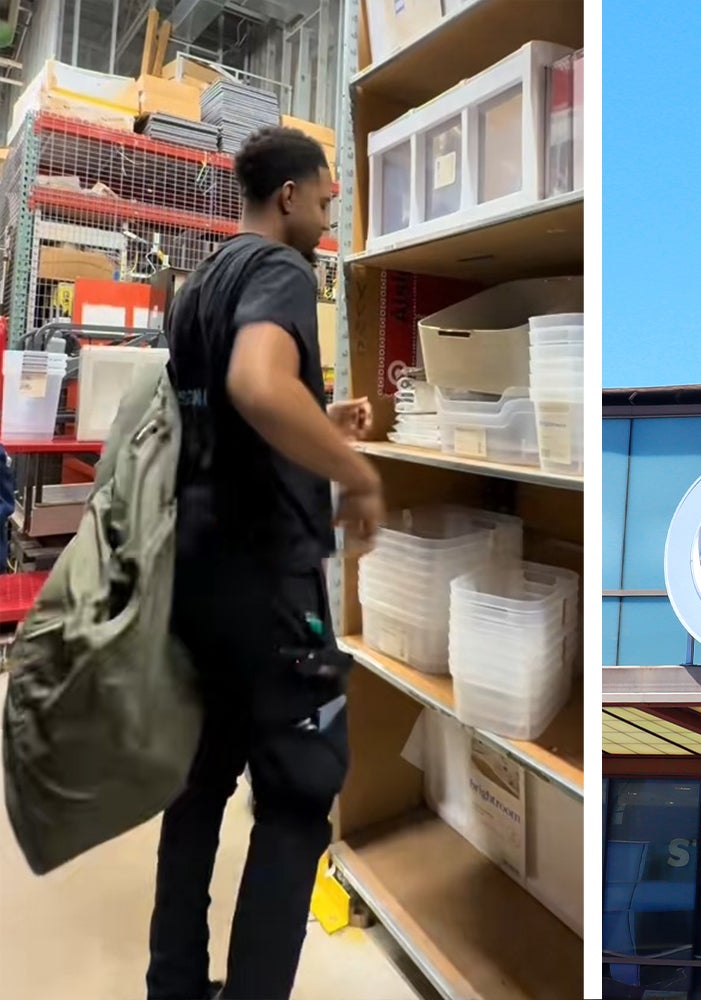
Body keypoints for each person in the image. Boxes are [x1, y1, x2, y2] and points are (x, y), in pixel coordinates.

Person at [146, 127, 385, 1000]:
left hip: (197, 577)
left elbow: (228, 412)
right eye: (326, 202)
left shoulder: (199, 282)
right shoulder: (282, 270)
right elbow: (256, 382)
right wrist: (354, 473)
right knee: (292, 807)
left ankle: (173, 986)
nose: (327, 221)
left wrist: (324, 416)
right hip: (271, 593)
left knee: (197, 789)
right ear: (289, 196)